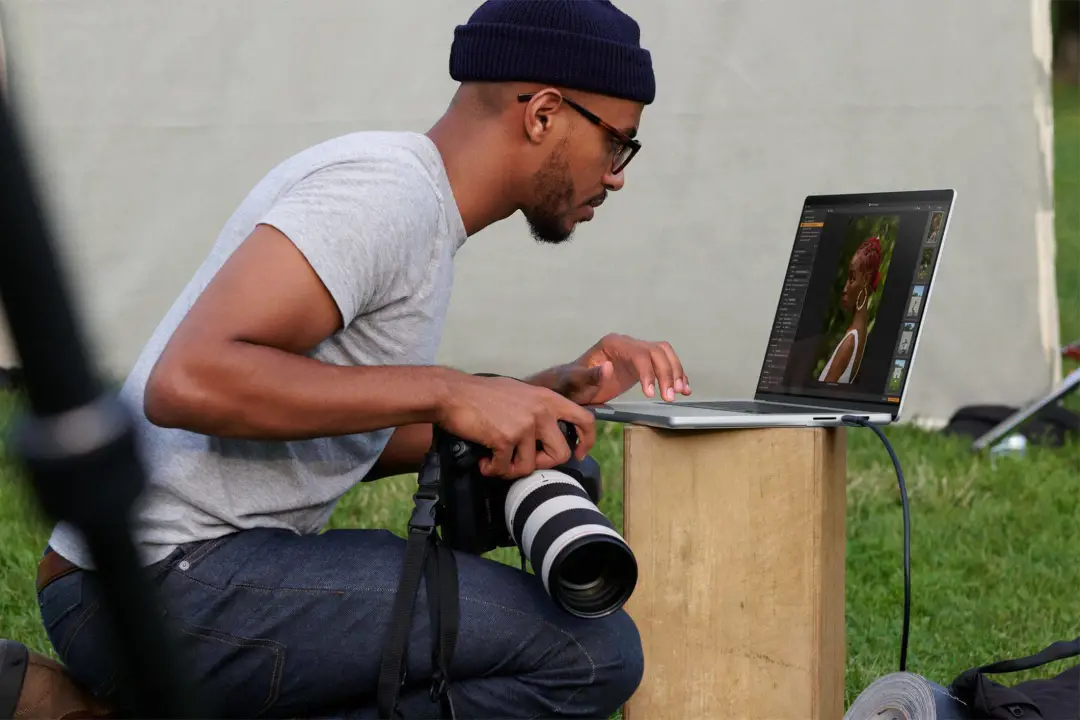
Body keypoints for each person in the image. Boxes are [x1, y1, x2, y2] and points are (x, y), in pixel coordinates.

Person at [1, 1, 694, 718]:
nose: (616, 177)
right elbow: (189, 380)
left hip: (166, 578)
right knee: (590, 656)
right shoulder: (385, 195)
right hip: (155, 585)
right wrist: (448, 390)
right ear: (544, 114)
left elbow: (337, 425)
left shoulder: (416, 209)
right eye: (618, 143)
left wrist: (530, 396)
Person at [817, 235, 884, 384]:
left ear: (865, 280)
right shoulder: (859, 334)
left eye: (852, 278)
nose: (845, 288)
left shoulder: (851, 341)